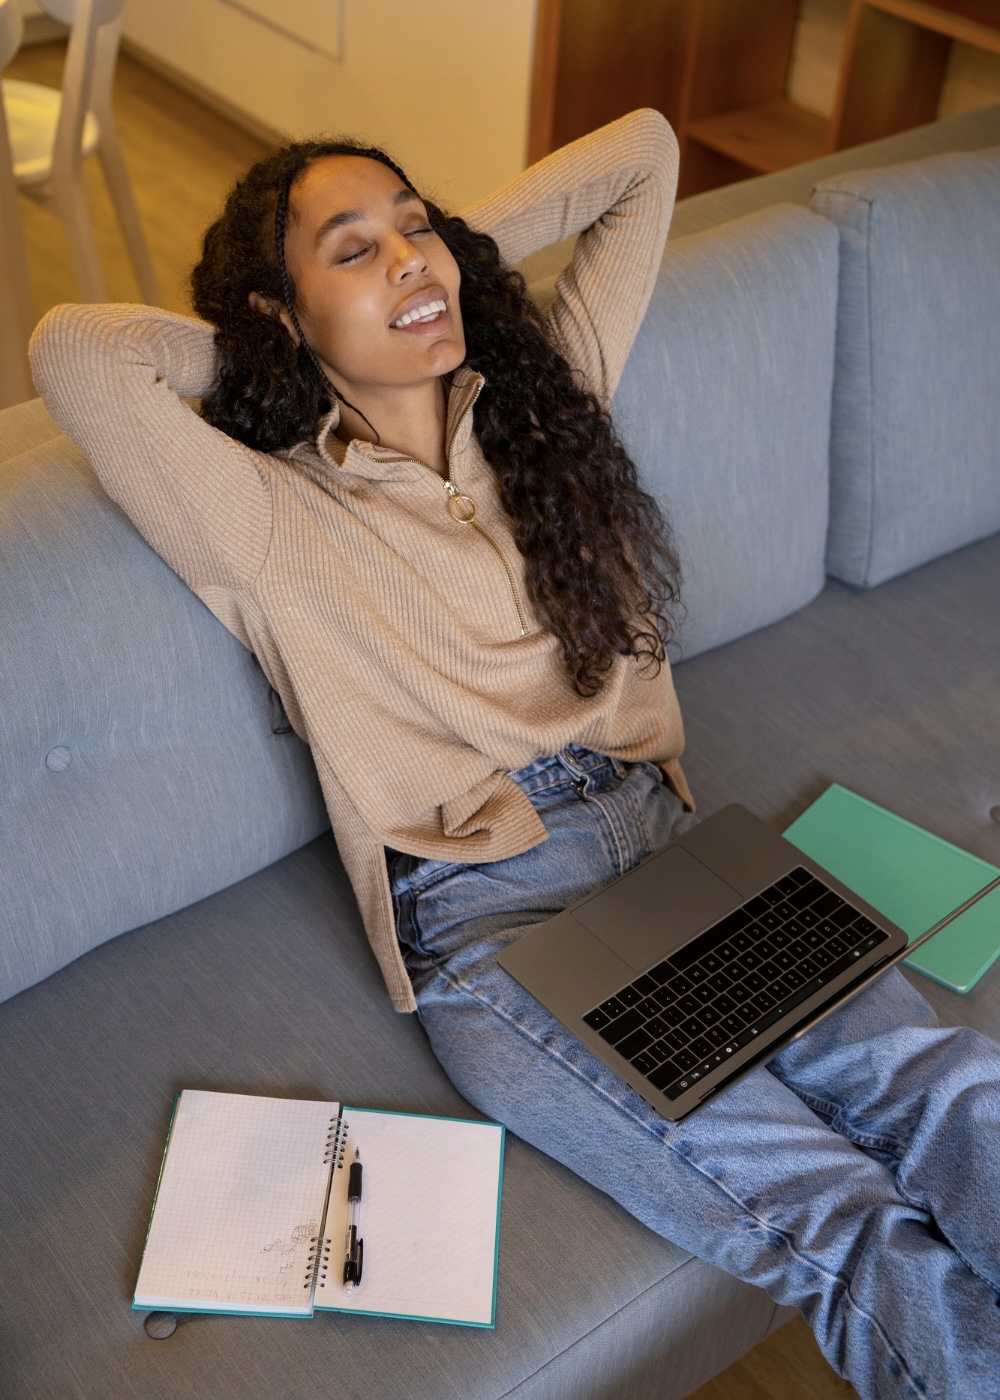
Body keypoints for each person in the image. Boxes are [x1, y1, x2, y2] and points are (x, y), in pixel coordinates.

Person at [30, 110, 1000, 1399]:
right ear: (282, 313)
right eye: (355, 249)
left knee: (950, 1090)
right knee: (843, 1222)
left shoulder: (548, 399)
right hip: (498, 921)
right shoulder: (264, 514)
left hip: (671, 844)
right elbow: (75, 351)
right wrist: (276, 341)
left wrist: (450, 268)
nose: (413, 260)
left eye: (418, 224)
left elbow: (648, 153)